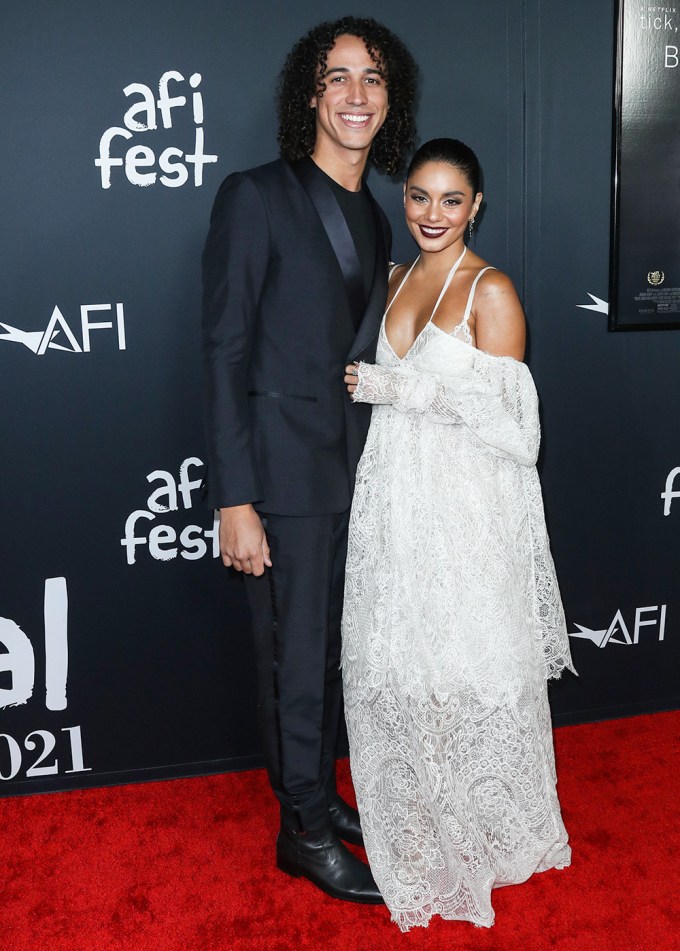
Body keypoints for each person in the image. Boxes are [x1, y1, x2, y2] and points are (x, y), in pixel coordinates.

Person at [201, 18, 418, 903]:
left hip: (352, 473)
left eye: (372, 78)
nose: (356, 93)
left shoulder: (375, 215)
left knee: (326, 655)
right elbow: (223, 350)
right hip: (279, 477)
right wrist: (234, 497)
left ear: (389, 100)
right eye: (337, 77)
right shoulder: (254, 196)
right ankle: (301, 830)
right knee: (290, 658)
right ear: (310, 96)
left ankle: (317, 794)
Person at [342, 138, 576, 929]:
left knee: (465, 663)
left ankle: (479, 828)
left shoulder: (492, 289)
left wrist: (402, 390)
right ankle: (424, 820)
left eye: (450, 199)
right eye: (418, 197)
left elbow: (518, 428)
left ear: (476, 205)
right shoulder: (394, 278)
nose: (432, 214)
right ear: (402, 200)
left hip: (464, 509)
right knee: (408, 662)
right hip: (396, 501)